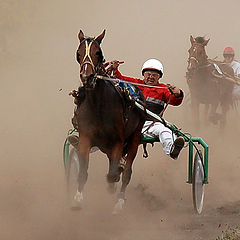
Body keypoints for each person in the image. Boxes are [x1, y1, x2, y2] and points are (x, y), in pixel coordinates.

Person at [108, 58, 185, 160]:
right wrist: (114, 69)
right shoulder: (135, 84)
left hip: (151, 124)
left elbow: (175, 101)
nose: (151, 77)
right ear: (143, 74)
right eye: (148, 74)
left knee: (164, 130)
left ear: (159, 77)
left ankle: (172, 149)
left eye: (154, 75)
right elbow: (120, 79)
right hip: (131, 124)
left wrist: (178, 93)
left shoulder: (164, 89)